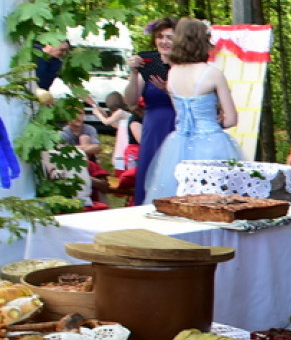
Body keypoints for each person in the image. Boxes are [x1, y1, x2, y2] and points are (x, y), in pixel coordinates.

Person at [143, 18, 242, 203]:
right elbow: (231, 120)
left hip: (178, 142)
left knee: (176, 197)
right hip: (212, 143)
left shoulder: (173, 74)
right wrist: (215, 119)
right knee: (217, 200)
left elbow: (181, 116)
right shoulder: (212, 73)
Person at [125, 17, 176, 205]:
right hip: (153, 127)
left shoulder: (185, 65)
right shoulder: (149, 64)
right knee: (150, 171)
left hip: (177, 125)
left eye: (170, 37)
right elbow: (130, 101)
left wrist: (168, 90)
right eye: (160, 36)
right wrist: (133, 73)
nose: (164, 41)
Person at [90, 92, 131, 171]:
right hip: (122, 144)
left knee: (123, 160)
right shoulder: (124, 115)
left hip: (125, 143)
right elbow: (114, 124)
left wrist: (97, 114)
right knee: (120, 162)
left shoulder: (120, 112)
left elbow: (106, 122)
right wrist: (104, 115)